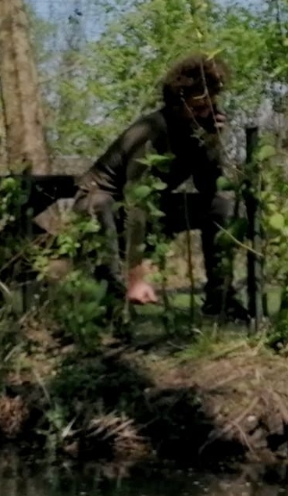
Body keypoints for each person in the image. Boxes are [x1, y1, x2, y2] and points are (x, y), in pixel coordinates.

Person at [72, 53, 241, 316]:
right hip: (104, 201)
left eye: (209, 106)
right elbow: (136, 202)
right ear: (177, 103)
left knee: (219, 205)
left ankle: (221, 298)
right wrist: (137, 276)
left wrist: (212, 141)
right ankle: (111, 303)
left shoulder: (197, 129)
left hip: (153, 204)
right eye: (197, 109)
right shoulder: (153, 130)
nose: (205, 113)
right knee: (100, 203)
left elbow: (208, 186)